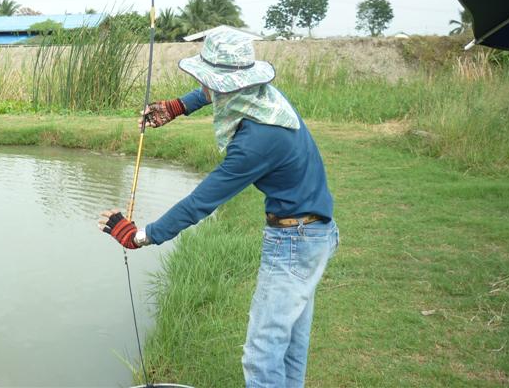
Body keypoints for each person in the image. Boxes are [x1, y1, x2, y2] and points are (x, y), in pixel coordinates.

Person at [98, 28, 339, 388]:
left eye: (207, 80)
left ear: (228, 83)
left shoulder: (258, 139)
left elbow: (202, 201)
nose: (205, 86)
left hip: (294, 241)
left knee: (261, 352)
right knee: (289, 344)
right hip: (314, 232)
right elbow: (212, 92)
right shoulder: (262, 98)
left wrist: (141, 236)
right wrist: (178, 107)